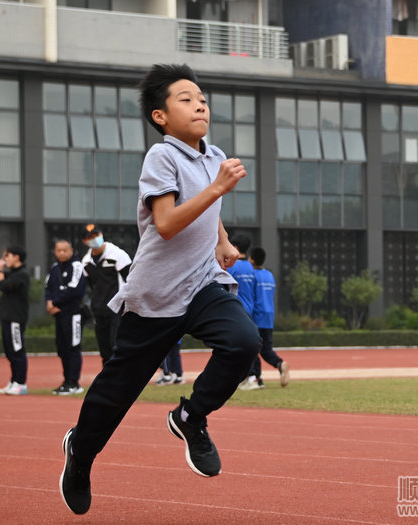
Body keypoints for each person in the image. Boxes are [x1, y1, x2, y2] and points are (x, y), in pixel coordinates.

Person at [59, 63, 261, 516]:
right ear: (160, 116)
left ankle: (190, 417)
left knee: (244, 342)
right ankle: (81, 453)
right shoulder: (162, 157)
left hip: (202, 283)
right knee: (117, 392)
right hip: (156, 294)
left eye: (202, 97)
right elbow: (167, 223)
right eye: (186, 99)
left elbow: (209, 213)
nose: (200, 104)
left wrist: (223, 240)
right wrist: (217, 188)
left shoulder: (213, 156)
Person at [80, 224, 132, 366]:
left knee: (116, 346)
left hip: (118, 309)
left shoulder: (118, 255)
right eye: (90, 237)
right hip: (99, 310)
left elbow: (130, 281)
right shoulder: (85, 263)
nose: (95, 239)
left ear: (101, 234)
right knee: (104, 350)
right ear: (85, 241)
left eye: (96, 235)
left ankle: (123, 381)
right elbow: (92, 286)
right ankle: (108, 383)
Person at [239, 246, 290, 390]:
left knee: (252, 348)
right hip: (269, 317)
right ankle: (278, 365)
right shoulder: (269, 275)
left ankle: (256, 378)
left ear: (253, 260)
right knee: (265, 349)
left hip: (256, 316)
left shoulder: (252, 275)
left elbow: (251, 296)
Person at [45, 239, 87, 395]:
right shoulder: (54, 268)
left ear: (71, 250)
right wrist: (49, 303)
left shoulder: (77, 266)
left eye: (64, 250)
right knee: (62, 348)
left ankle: (74, 383)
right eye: (58, 250)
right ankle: (66, 381)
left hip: (74, 314)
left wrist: (55, 302)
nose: (61, 253)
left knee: (73, 347)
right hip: (59, 315)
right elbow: (48, 288)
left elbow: (75, 289)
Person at [0, 245, 30, 396]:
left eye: (8, 256)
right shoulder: (13, 273)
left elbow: (3, 286)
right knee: (9, 351)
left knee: (17, 351)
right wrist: (0, 268)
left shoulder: (22, 275)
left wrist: (1, 271)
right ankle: (14, 380)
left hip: (16, 319)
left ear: (17, 257)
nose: (6, 259)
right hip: (7, 318)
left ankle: (21, 383)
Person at [226, 234, 256, 318]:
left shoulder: (230, 266)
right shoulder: (250, 267)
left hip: (234, 310)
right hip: (249, 311)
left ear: (236, 248)